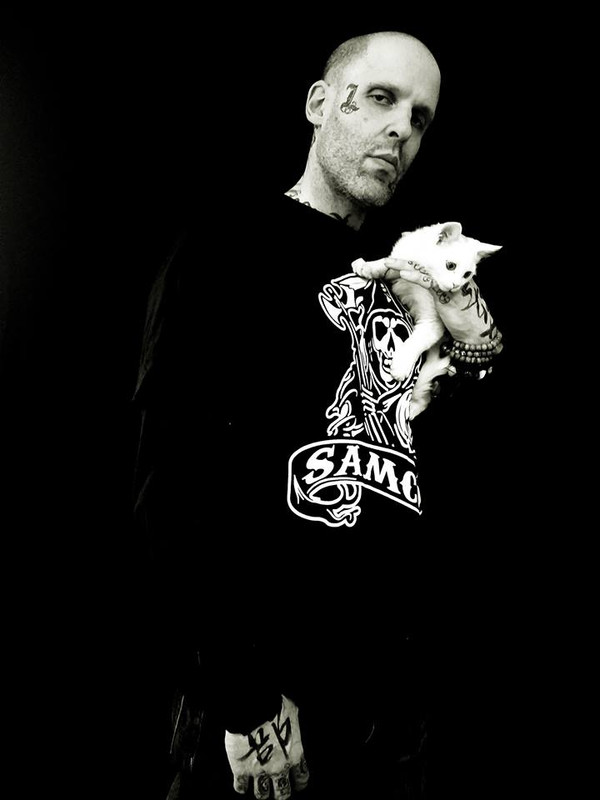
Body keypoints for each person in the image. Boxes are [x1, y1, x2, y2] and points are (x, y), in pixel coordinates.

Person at [132, 30, 504, 799]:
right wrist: (241, 698)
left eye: (421, 118)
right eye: (382, 98)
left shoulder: (413, 277)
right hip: (270, 707)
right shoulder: (227, 246)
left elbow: (456, 470)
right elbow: (172, 483)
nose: (401, 129)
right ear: (319, 103)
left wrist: (473, 338)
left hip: (394, 716)